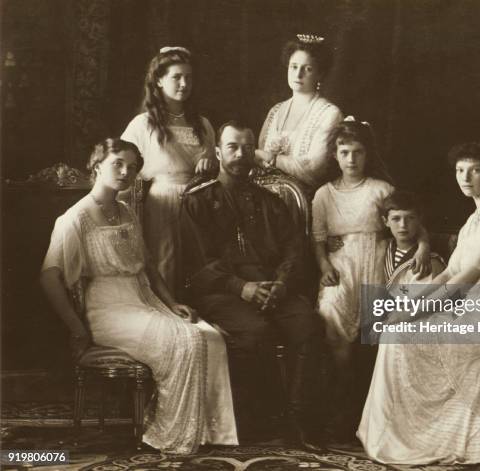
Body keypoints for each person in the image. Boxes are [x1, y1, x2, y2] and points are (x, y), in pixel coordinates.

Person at [40, 138, 237, 454]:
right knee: (186, 340)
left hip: (144, 300)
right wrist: (77, 328)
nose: (125, 171)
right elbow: (49, 278)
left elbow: (148, 265)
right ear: (97, 165)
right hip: (108, 310)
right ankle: (171, 435)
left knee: (209, 336)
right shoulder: (75, 218)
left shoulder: (127, 212)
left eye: (132, 167)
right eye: (117, 163)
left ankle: (210, 433)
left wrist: (171, 303)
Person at [357, 142, 480, 465]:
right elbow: (449, 271)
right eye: (460, 170)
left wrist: (415, 313)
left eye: (475, 170)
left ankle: (425, 437)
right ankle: (397, 433)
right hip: (475, 306)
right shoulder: (475, 218)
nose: (466, 177)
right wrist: (408, 304)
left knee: (398, 336)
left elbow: (467, 280)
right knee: (396, 331)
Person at [180, 121, 322, 450]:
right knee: (255, 332)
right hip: (222, 291)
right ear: (218, 152)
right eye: (232, 146)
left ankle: (299, 423)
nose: (240, 154)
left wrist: (282, 284)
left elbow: (292, 251)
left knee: (309, 326)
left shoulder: (272, 202)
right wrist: (240, 287)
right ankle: (258, 421)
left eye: (247, 147)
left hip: (273, 288)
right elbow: (198, 263)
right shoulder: (198, 202)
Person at [312, 119, 431, 439]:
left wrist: (423, 247)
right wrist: (324, 265)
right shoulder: (324, 194)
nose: (352, 159)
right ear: (335, 156)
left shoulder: (381, 189)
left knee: (378, 333)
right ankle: (341, 404)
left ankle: (373, 412)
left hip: (378, 263)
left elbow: (412, 224)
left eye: (358, 152)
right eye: (345, 152)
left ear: (367, 154)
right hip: (341, 265)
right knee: (333, 316)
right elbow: (319, 240)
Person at [122, 46, 216, 295]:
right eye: (177, 77)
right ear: (160, 80)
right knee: (166, 261)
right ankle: (170, 310)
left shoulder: (203, 125)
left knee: (200, 261)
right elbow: (122, 161)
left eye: (189, 77)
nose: (184, 83)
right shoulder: (144, 124)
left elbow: (216, 167)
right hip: (162, 202)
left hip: (198, 201)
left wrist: (208, 167)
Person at [256, 34, 343, 191]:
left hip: (304, 200)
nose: (298, 74)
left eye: (307, 69)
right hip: (265, 198)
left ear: (320, 74)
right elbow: (258, 157)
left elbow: (315, 168)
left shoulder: (329, 114)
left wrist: (272, 158)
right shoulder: (275, 111)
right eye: (294, 67)